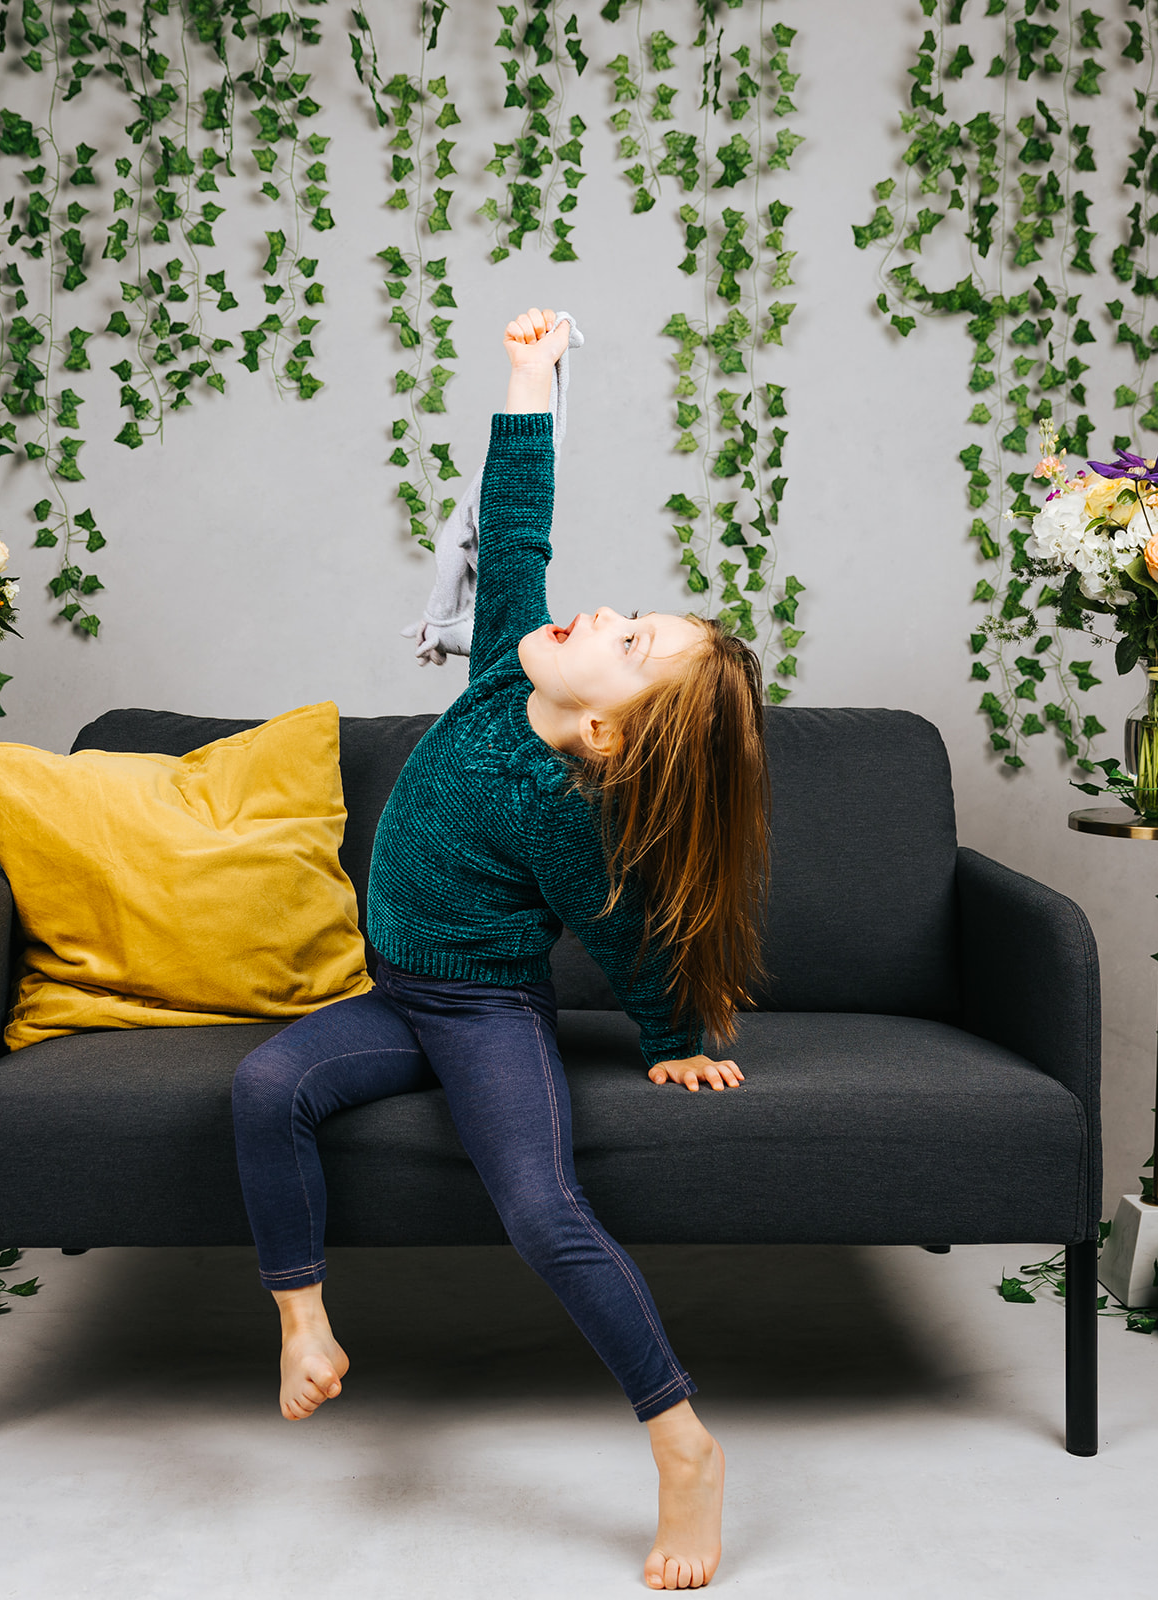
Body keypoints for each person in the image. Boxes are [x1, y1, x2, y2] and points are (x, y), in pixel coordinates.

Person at [232, 307, 771, 1591]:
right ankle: (302, 1324)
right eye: (631, 612)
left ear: (611, 741)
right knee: (263, 1085)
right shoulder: (497, 673)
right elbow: (512, 517)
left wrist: (671, 1037)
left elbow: (632, 938)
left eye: (631, 643)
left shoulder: (566, 810)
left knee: (538, 1207)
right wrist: (527, 374)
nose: (602, 613)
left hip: (481, 1015)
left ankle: (680, 1440)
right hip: (391, 996)